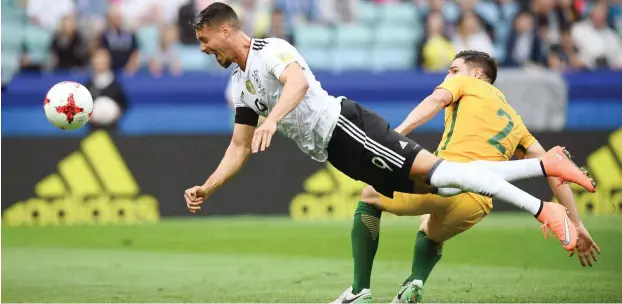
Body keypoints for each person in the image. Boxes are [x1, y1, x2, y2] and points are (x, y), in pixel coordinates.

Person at [182, 3, 595, 255]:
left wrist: (272, 119)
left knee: (440, 175)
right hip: (337, 149)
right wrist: (208, 186)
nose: (203, 48)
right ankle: (547, 166)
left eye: (204, 38)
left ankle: (543, 206)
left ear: (225, 29)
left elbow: (298, 82)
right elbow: (239, 145)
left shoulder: (270, 49)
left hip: (346, 126)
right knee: (444, 186)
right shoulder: (241, 84)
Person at [332, 51, 601, 304]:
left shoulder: (465, 85)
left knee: (370, 195)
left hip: (449, 178)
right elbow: (553, 170)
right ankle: (414, 282)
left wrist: (397, 134)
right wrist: (577, 224)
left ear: (476, 74)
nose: (449, 76)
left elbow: (434, 101)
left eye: (454, 69)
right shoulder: (516, 122)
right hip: (477, 205)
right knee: (430, 230)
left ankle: (358, 291)